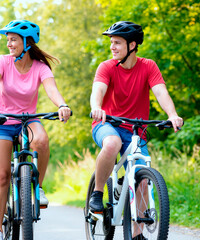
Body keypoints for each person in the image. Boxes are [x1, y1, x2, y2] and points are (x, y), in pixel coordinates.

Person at [0, 20, 72, 240]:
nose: (9, 44)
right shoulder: (2, 61)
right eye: (8, 39)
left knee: (41, 139)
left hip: (27, 120)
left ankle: (37, 188)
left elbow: (51, 89)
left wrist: (62, 105)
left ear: (27, 42)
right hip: (0, 120)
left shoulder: (40, 67)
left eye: (13, 39)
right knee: (1, 176)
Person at [89, 21, 183, 239]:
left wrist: (172, 114)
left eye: (117, 43)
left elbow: (161, 93)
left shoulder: (148, 66)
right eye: (111, 42)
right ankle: (98, 192)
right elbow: (98, 91)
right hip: (107, 124)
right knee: (112, 144)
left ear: (132, 45)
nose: (112, 47)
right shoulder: (106, 67)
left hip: (135, 130)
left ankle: (137, 233)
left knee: (141, 177)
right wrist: (96, 108)